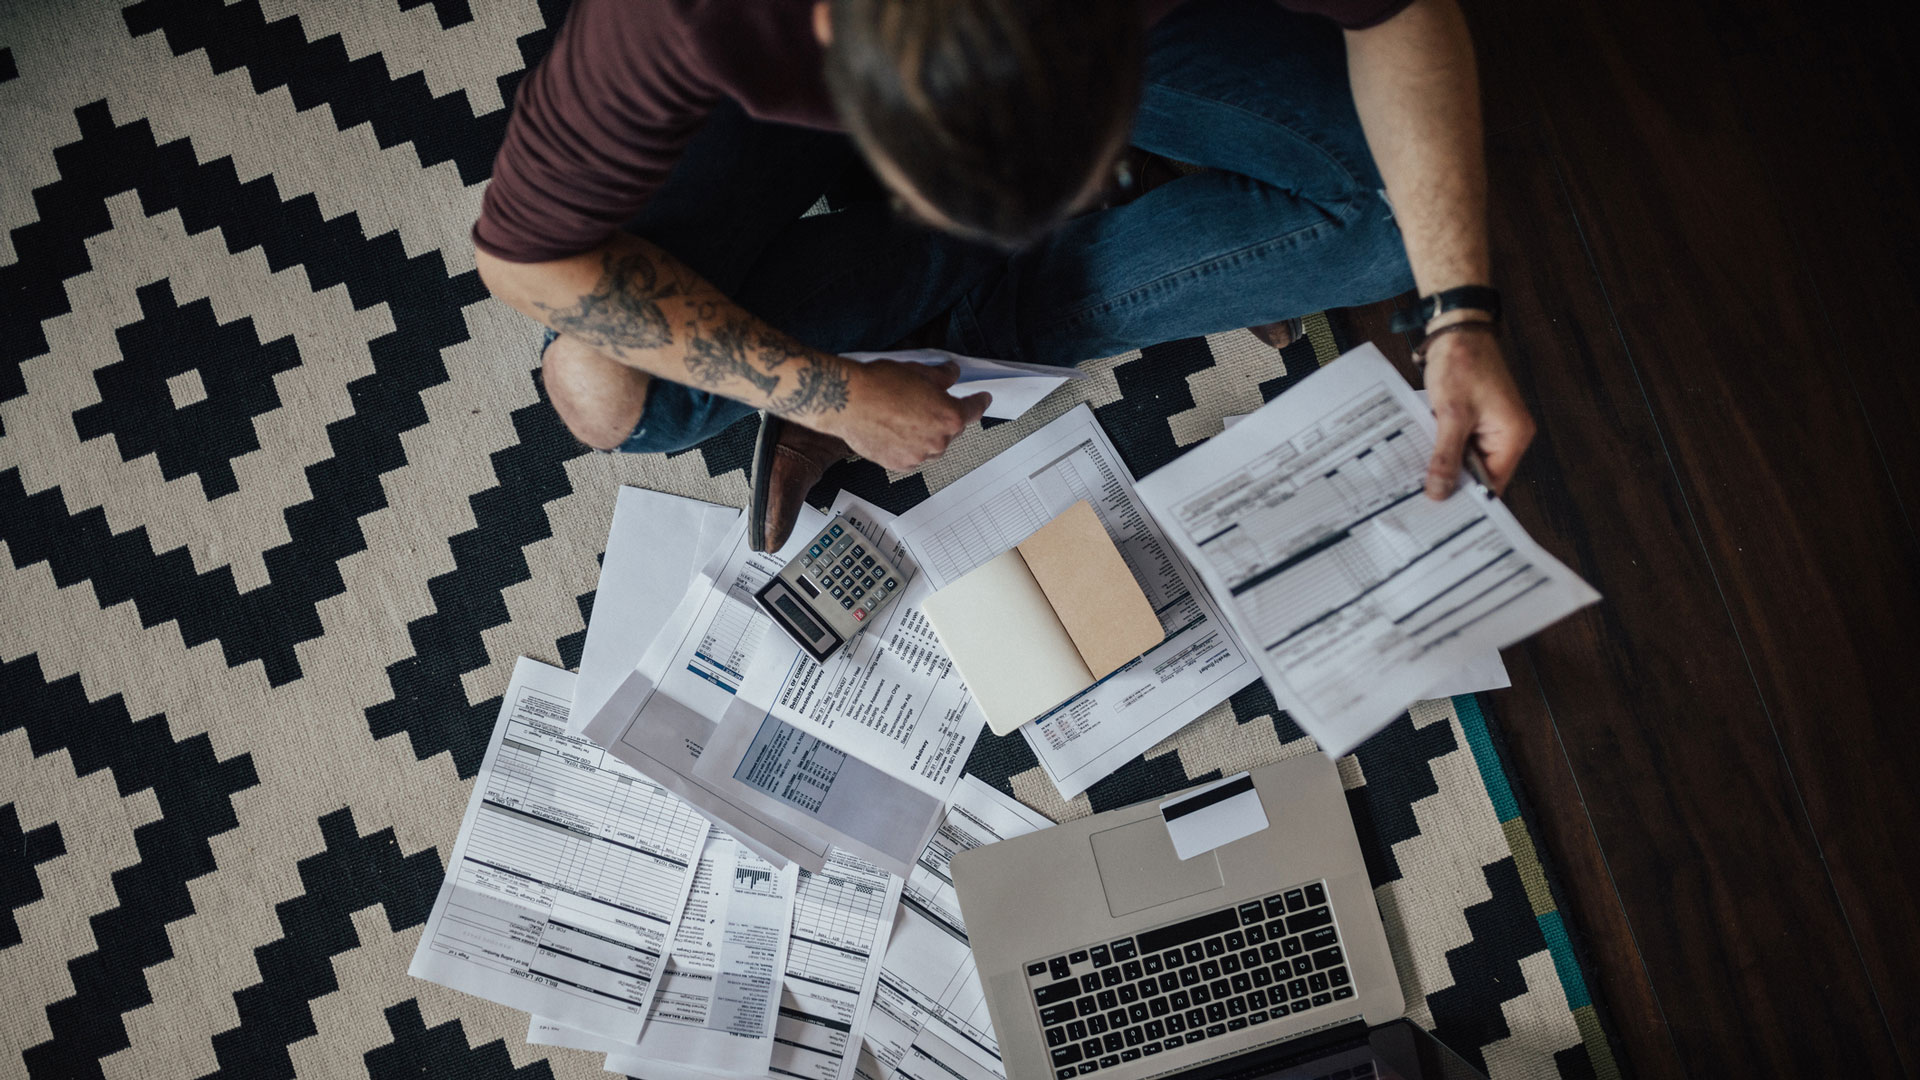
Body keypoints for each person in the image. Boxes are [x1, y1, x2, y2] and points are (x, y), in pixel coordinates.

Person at [474, 0, 1535, 552]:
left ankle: (971, 310)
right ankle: (983, 292)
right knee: (605, 388)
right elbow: (526, 265)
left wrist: (1460, 313)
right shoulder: (679, 22)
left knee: (1402, 214)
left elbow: (1397, 13)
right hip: (750, 95)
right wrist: (831, 392)